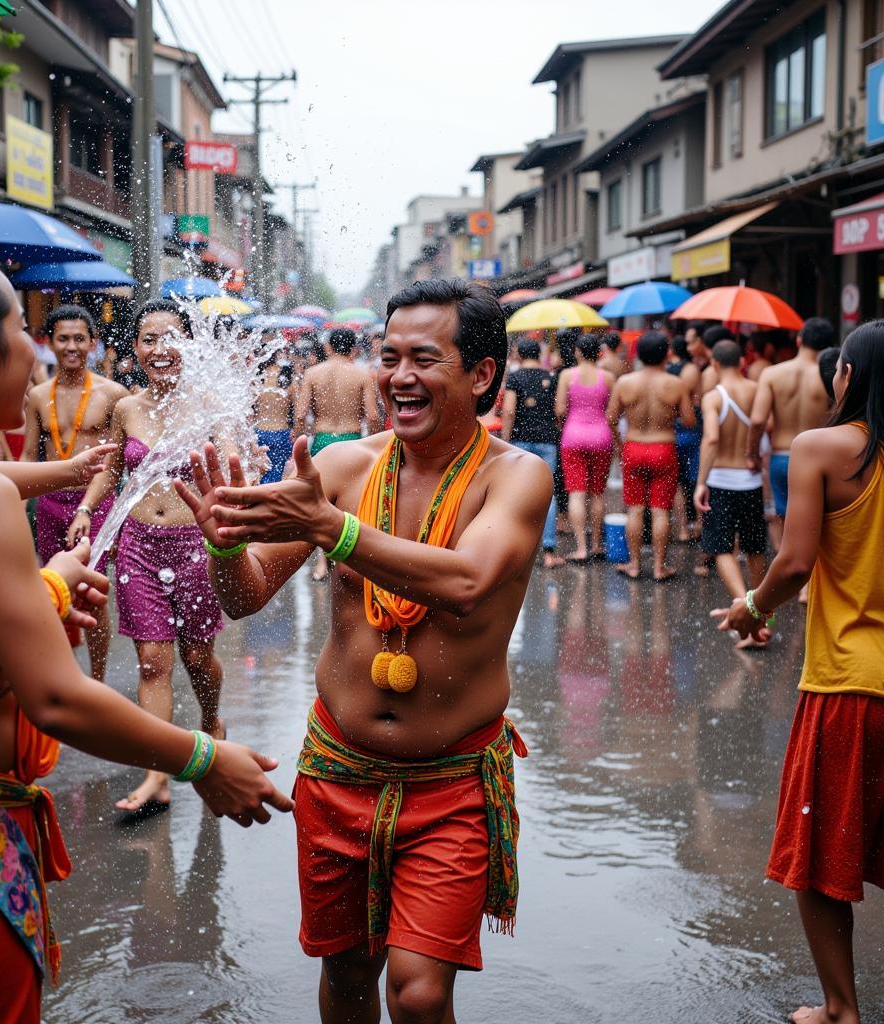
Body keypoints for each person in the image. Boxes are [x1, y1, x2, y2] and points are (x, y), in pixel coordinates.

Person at [0, 247, 293, 1024]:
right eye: (18, 330)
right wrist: (205, 757)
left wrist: (54, 571)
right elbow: (58, 698)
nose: (37, 350)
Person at [174, 279, 547, 1024]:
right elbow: (245, 596)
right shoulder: (342, 471)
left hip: (450, 789)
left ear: (480, 374)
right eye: (390, 356)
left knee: (416, 992)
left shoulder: (518, 477)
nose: (400, 376)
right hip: (337, 772)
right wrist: (221, 548)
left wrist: (332, 531)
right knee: (347, 974)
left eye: (423, 359)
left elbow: (469, 582)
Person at [713, 319, 884, 1024]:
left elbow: (793, 562)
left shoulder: (824, 448)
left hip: (850, 683)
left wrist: (752, 610)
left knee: (820, 859)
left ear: (847, 376)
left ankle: (841, 1009)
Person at [71, 300, 229, 819]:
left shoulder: (209, 404)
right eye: (148, 339)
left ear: (188, 345)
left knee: (198, 659)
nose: (160, 349)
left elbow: (231, 466)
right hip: (139, 544)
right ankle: (158, 774)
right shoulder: (127, 408)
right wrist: (88, 510)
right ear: (135, 348)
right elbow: (111, 468)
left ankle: (211, 721)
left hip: (194, 546)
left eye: (170, 338)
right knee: (152, 661)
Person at [22, 305, 128, 682]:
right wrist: (16, 509)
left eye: (79, 338)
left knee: (93, 591)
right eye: (63, 338)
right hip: (49, 505)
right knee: (55, 588)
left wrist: (122, 520)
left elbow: (125, 461)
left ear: (92, 343)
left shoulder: (114, 394)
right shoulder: (36, 396)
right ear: (50, 343)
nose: (71, 346)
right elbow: (28, 456)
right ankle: (64, 675)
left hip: (94, 503)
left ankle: (96, 679)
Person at [693, 340, 768, 647]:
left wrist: (701, 482)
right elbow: (767, 425)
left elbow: (711, 438)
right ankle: (761, 613)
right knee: (754, 547)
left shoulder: (713, 397)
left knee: (721, 547)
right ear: (741, 362)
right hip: (751, 481)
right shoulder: (757, 391)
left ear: (714, 364)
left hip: (722, 479)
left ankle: (742, 605)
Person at [295, 326, 383, 581]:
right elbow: (373, 416)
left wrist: (299, 440)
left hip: (322, 440)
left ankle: (322, 561)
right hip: (353, 440)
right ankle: (349, 560)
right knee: (352, 504)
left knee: (322, 503)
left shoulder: (312, 373)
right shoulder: (362, 374)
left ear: (329, 347)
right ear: (354, 349)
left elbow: (301, 414)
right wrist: (373, 443)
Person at [607, 331, 695, 580]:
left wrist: (620, 444)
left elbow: (611, 418)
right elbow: (689, 421)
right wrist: (671, 412)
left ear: (639, 354)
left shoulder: (625, 383)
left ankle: (634, 565)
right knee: (660, 511)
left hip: (633, 447)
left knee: (634, 509)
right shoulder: (675, 384)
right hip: (663, 449)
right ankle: (658, 567)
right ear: (666, 354)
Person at [746, 317, 835, 526]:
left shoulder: (772, 374)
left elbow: (758, 420)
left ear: (799, 340)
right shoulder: (830, 376)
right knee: (815, 523)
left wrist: (752, 455)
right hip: (816, 459)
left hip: (781, 458)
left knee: (785, 524)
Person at [502, 338, 563, 568]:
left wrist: (506, 442)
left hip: (520, 441)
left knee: (517, 494)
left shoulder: (516, 377)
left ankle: (517, 551)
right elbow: (558, 410)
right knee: (548, 494)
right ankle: (548, 551)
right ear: (538, 354)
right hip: (547, 441)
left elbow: (508, 411)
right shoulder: (551, 377)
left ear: (519, 354)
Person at [556, 332, 614, 561]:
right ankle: (598, 544)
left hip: (573, 436)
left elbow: (560, 409)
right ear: (598, 353)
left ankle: (581, 548)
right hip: (601, 437)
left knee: (577, 493)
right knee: (598, 493)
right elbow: (612, 412)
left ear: (577, 352)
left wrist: (566, 425)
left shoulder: (567, 375)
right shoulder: (608, 377)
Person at [666, 336, 703, 543]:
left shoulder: (666, 372)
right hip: (691, 429)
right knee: (697, 480)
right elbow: (694, 401)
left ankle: (681, 529)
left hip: (671, 429)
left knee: (678, 483)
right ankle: (698, 525)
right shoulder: (692, 371)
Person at [254, 346, 294, 484]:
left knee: (260, 473)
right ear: (277, 355)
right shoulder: (287, 376)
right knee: (281, 476)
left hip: (260, 431)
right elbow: (299, 409)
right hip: (282, 432)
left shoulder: (256, 376)